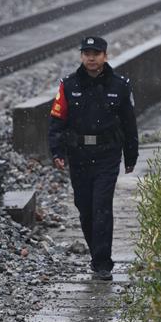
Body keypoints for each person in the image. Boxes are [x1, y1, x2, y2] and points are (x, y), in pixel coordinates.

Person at [48, 35, 138, 281]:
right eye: (87, 54)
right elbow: (57, 122)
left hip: (107, 154)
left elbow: (130, 123)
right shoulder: (69, 85)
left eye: (96, 53)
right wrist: (57, 152)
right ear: (81, 56)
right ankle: (95, 254)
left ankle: (102, 263)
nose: (91, 58)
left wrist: (131, 156)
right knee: (85, 209)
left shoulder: (120, 85)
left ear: (105, 56)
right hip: (79, 155)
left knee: (101, 207)